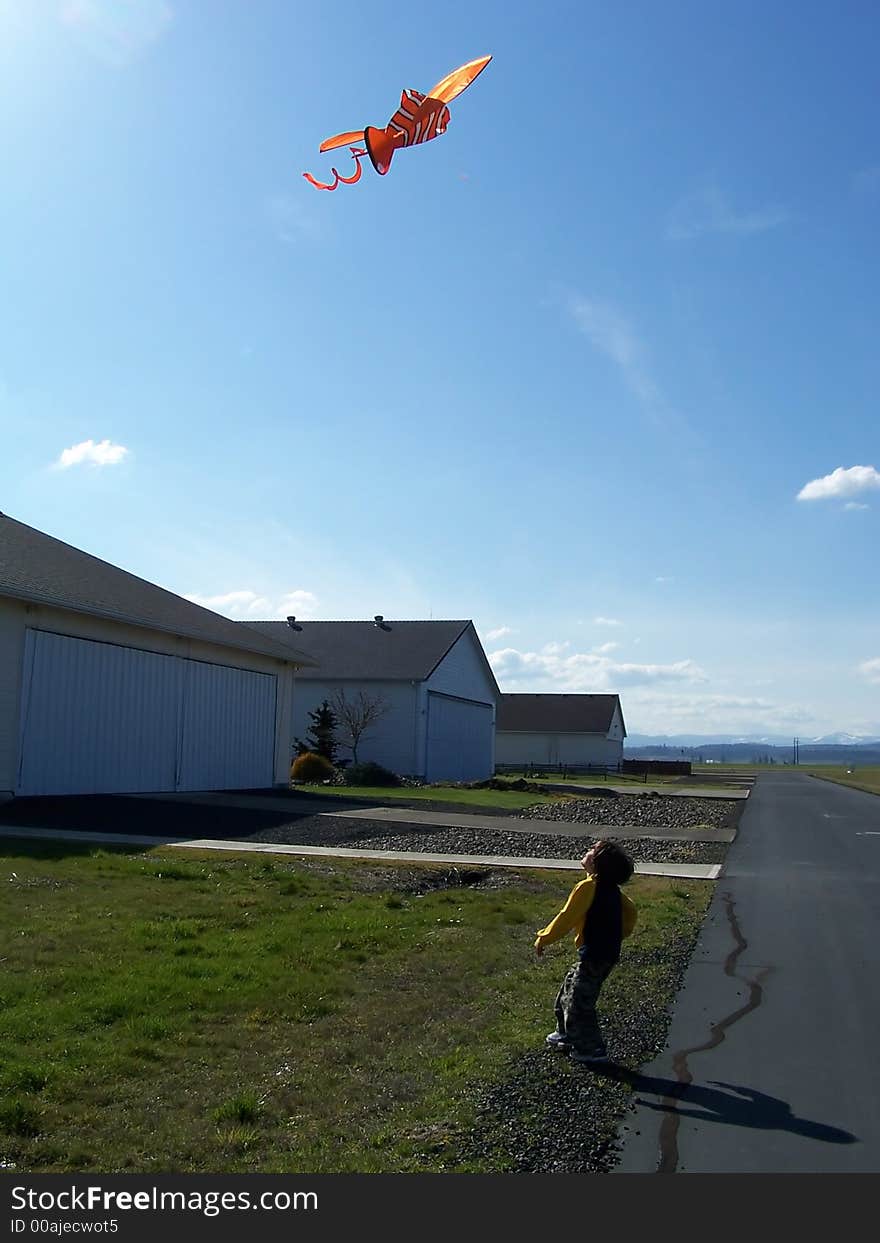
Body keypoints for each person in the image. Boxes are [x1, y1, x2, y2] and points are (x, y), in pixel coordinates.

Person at [534, 839, 637, 1065]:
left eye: (592, 850)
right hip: (604, 953)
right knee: (571, 985)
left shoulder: (588, 887)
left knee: (581, 1001)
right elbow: (631, 912)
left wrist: (544, 938)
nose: (587, 851)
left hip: (595, 953)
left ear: (598, 864)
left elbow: (566, 917)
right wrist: (619, 933)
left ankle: (592, 1049)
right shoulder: (612, 890)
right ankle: (565, 1032)